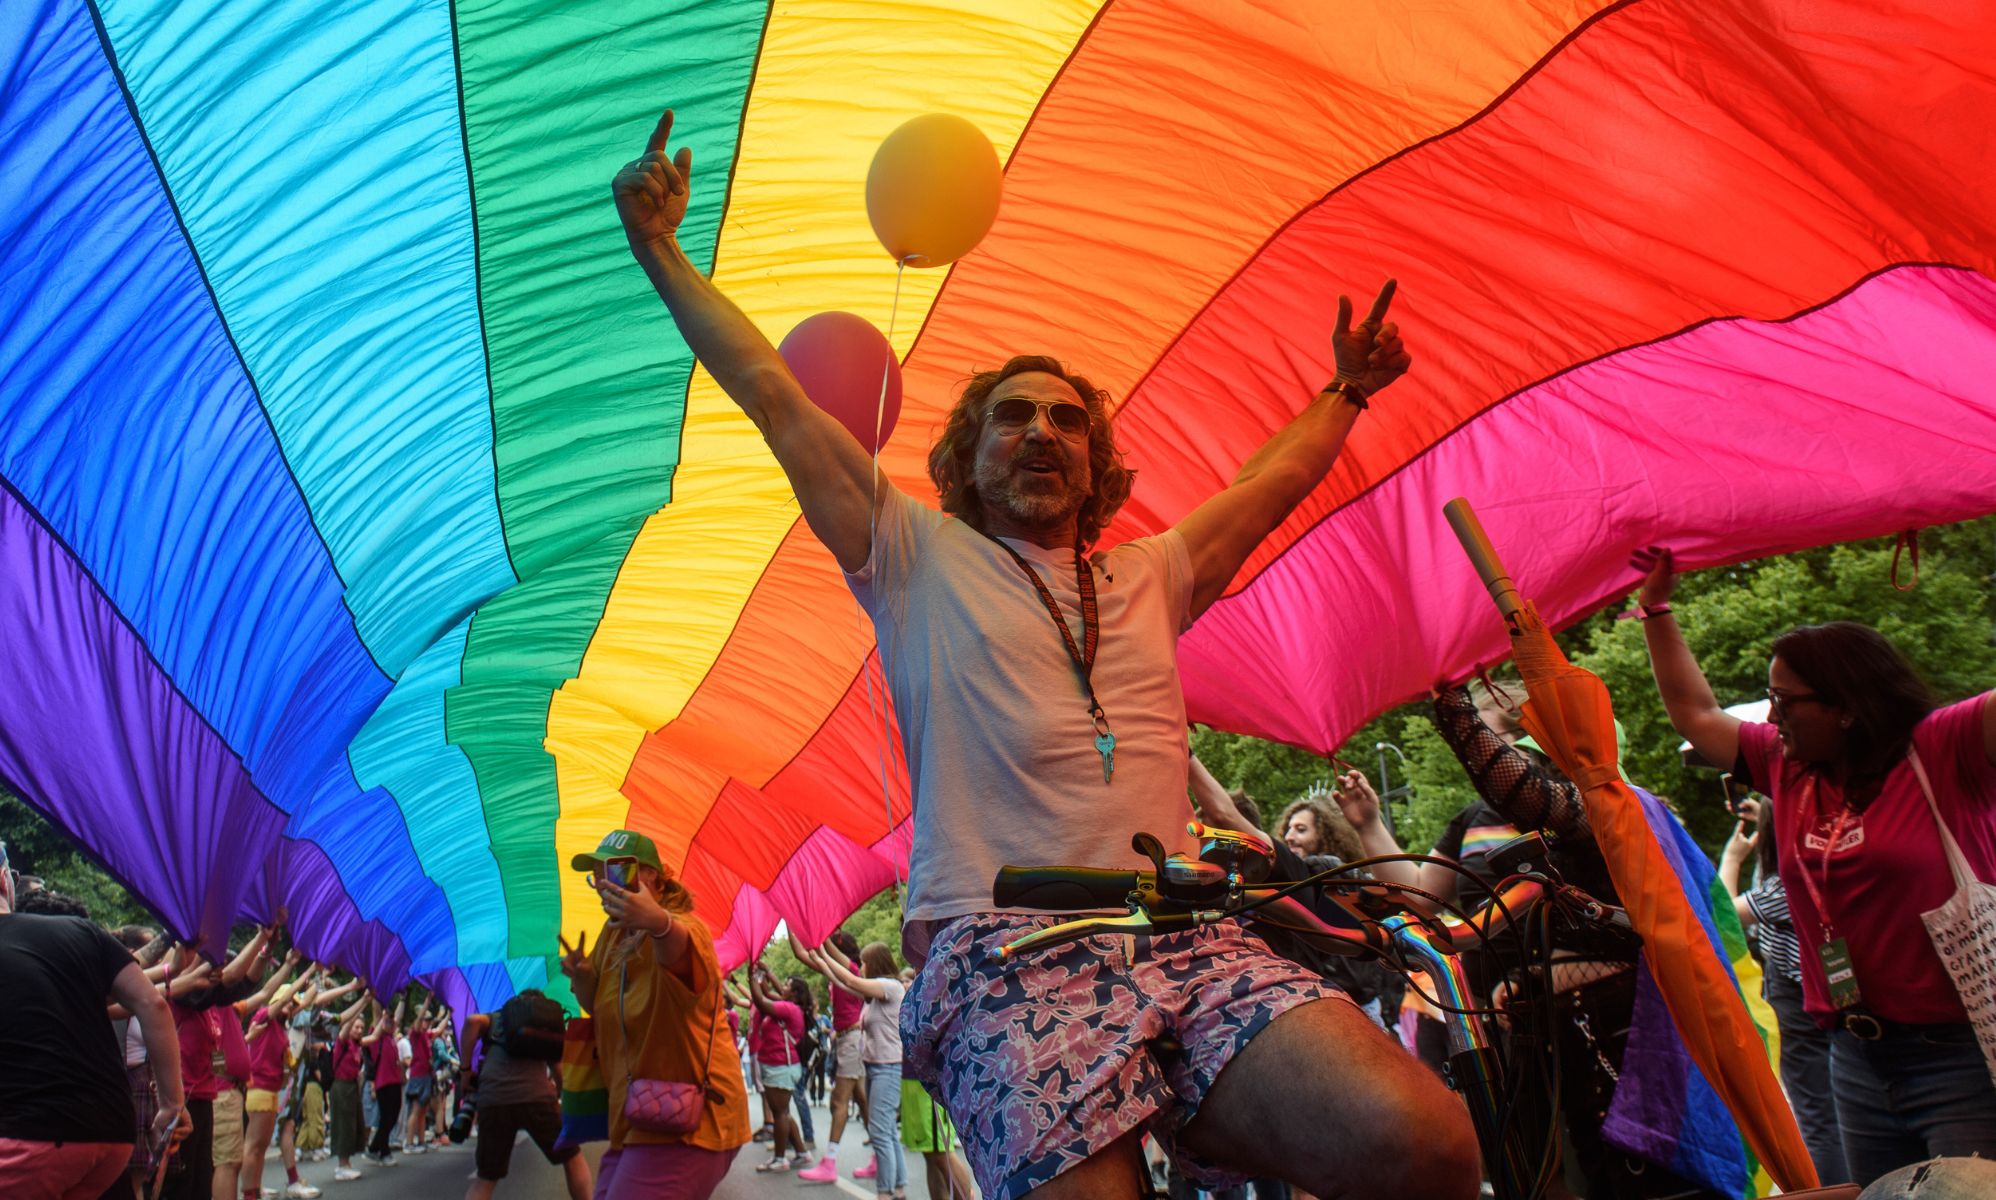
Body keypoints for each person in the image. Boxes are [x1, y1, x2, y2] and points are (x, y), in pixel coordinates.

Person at [613, 108, 1471, 1200]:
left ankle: (1206, 1121)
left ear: (1095, 463)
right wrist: (660, 250)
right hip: (999, 951)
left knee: (1426, 1144)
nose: (1041, 432)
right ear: (968, 458)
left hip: (1183, 934)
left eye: (1067, 421)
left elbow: (1266, 484)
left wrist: (1345, 390)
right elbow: (775, 397)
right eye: (1011, 417)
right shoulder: (909, 553)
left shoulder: (1149, 574)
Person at [1633, 546, 1996, 1185]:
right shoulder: (1786, 763)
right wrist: (1655, 608)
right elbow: (1697, 715)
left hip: (1959, 1056)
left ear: (1848, 706)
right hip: (1856, 1058)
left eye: (1786, 700)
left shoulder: (1944, 746)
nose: (1771, 716)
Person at [558, 829, 749, 1199]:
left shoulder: (683, 928)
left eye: (616, 871)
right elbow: (599, 1008)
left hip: (689, 1121)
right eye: (596, 874)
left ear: (653, 879)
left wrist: (658, 923)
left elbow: (679, 953)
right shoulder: (612, 937)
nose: (603, 883)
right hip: (635, 1119)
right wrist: (582, 976)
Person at [0, 841, 184, 1200]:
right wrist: (172, 1107)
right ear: (5, 880)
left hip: (29, 1137)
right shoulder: (80, 931)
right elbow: (151, 1005)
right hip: (111, 1137)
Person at [1716, 796, 1847, 1185]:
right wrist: (1767, 814)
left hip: (1797, 995)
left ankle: (1835, 1191)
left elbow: (1723, 916)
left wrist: (1732, 859)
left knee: (1816, 1114)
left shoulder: (1787, 885)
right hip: (1836, 988)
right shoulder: (1828, 859)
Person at [794, 942, 907, 1200]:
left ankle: (885, 1192)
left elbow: (851, 980)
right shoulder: (874, 996)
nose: (861, 968)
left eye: (865, 963)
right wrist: (821, 955)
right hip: (876, 1067)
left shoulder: (890, 987)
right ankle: (898, 1188)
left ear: (876, 964)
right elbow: (841, 980)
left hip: (887, 1068)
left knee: (879, 1132)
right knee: (887, 1130)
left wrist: (823, 950)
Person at [457, 992, 591, 1200]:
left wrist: (465, 1071)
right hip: (538, 1098)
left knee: (486, 1177)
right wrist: (565, 1098)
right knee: (571, 1156)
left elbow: (472, 1021)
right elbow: (558, 1068)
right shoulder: (544, 1025)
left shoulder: (497, 1018)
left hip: (494, 1099)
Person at [795, 929, 873, 1184]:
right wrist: (792, 922)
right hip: (847, 1041)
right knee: (862, 1102)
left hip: (851, 1040)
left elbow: (824, 946)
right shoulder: (839, 974)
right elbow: (802, 953)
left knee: (838, 1101)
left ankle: (829, 1162)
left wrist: (821, 927)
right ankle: (880, 1156)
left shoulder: (852, 968)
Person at [743, 964, 810, 1171]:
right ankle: (801, 1152)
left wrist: (753, 977)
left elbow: (762, 1001)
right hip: (779, 1065)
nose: (784, 987)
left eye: (788, 985)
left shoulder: (788, 1008)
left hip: (780, 1066)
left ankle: (780, 1159)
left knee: (780, 1113)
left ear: (796, 993)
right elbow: (767, 993)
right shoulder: (788, 1005)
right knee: (783, 1112)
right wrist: (761, 973)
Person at [359, 1006, 404, 1165]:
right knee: (387, 1118)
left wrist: (403, 1000)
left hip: (395, 1081)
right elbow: (377, 1013)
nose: (391, 1022)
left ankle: (374, 1149)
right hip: (383, 1082)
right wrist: (376, 994)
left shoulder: (391, 1038)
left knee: (392, 1117)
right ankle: (382, 1151)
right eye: (388, 1020)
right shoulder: (376, 1037)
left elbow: (397, 1017)